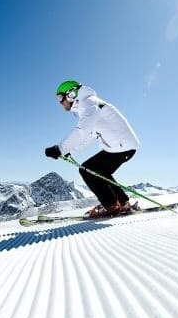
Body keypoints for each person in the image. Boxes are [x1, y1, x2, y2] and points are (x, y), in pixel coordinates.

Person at [45, 80, 141, 218]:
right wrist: (70, 151)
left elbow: (82, 130)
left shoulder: (88, 104)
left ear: (71, 94)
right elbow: (91, 135)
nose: (60, 102)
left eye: (61, 98)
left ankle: (111, 206)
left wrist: (60, 149)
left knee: (87, 170)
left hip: (121, 147)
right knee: (100, 172)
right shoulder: (88, 104)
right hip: (120, 146)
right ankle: (122, 202)